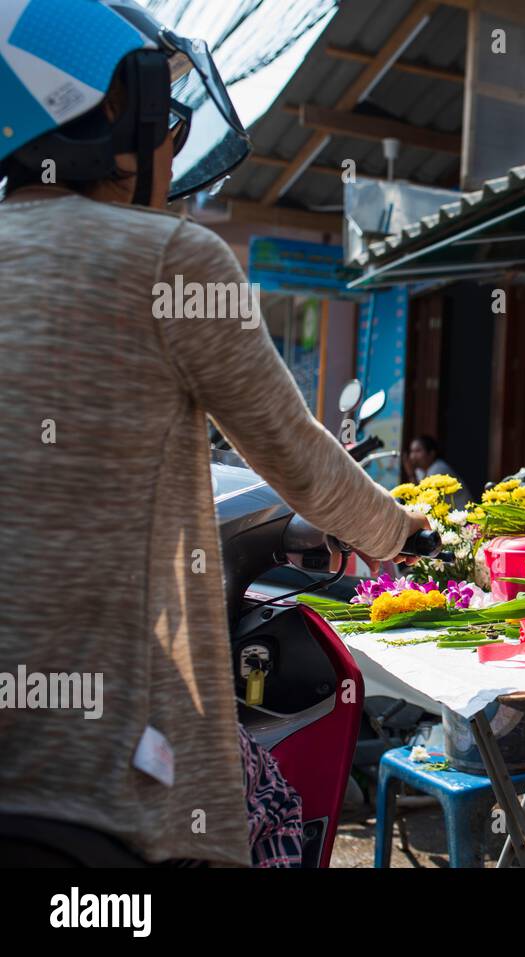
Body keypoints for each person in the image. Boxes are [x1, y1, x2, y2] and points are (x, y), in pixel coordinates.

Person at [0, 0, 428, 867]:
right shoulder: (172, 260)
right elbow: (298, 455)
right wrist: (404, 534)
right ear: (111, 108)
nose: (173, 146)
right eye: (167, 116)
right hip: (98, 766)